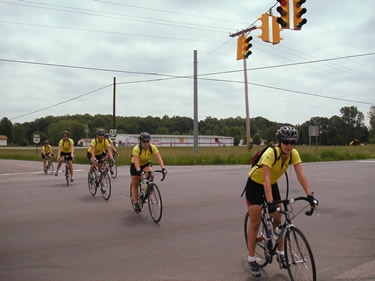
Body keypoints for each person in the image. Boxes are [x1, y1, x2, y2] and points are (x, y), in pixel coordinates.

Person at [244, 125, 318, 278]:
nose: (290, 145)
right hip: (256, 183)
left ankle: (281, 253)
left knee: (279, 218)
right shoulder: (271, 153)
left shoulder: (293, 154)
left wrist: (309, 195)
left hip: (271, 184)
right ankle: (252, 259)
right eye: (286, 142)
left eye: (293, 142)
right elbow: (265, 179)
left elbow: (301, 175)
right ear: (279, 142)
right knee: (256, 221)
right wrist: (270, 203)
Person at [130, 132, 167, 213]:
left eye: (147, 141)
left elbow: (159, 159)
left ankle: (148, 190)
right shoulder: (136, 149)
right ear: (140, 141)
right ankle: (136, 203)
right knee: (135, 183)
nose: (146, 143)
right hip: (135, 165)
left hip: (146, 163)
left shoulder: (152, 147)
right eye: (144, 142)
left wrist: (163, 168)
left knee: (151, 174)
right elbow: (136, 161)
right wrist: (139, 171)